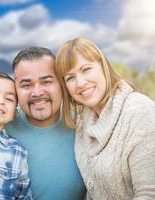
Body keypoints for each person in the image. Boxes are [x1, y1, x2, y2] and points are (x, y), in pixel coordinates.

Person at [55, 37, 155, 199]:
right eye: (70, 77)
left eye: (86, 69)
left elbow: (149, 194)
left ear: (103, 66)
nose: (80, 83)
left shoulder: (140, 112)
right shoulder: (83, 121)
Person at [5, 47, 86, 199]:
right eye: (26, 85)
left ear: (61, 84)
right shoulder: (1, 129)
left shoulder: (84, 126)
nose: (37, 92)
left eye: (46, 82)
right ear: (15, 90)